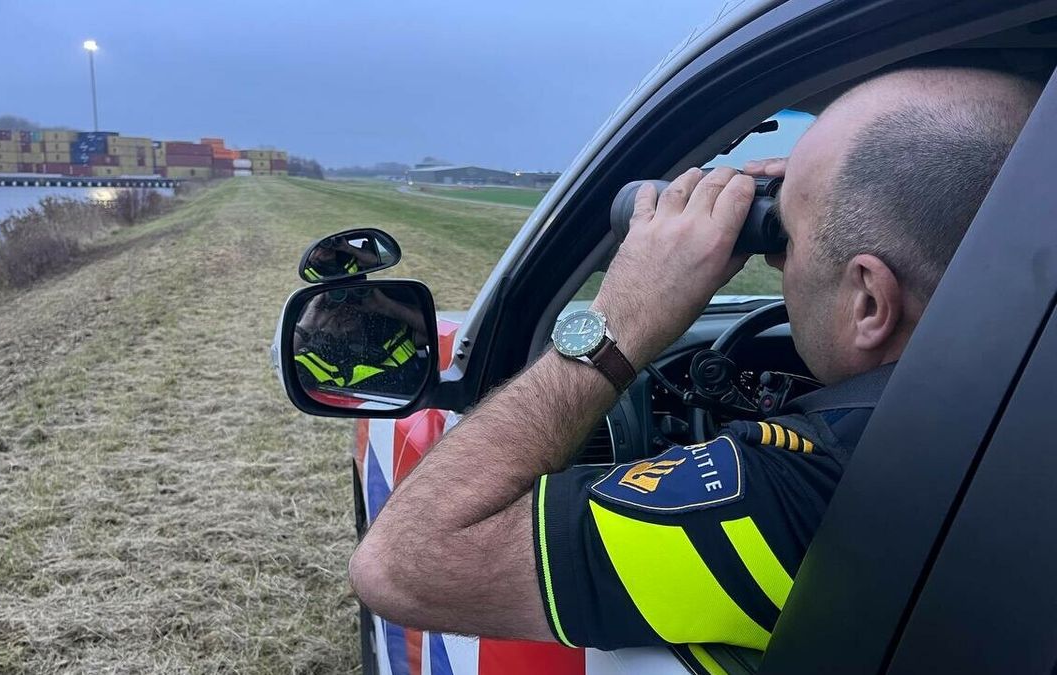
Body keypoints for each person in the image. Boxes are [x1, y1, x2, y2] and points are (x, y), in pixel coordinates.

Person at [346, 67, 1042, 652]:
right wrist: (819, 198)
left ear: (868, 302)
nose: (777, 262)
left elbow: (399, 564)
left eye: (787, 238)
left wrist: (617, 324)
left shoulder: (819, 492)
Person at [294, 288, 430, 396]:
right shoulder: (316, 359)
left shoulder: (389, 331)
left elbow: (432, 331)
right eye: (333, 306)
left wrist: (386, 307)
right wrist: (306, 326)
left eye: (352, 301)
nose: (345, 310)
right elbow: (287, 367)